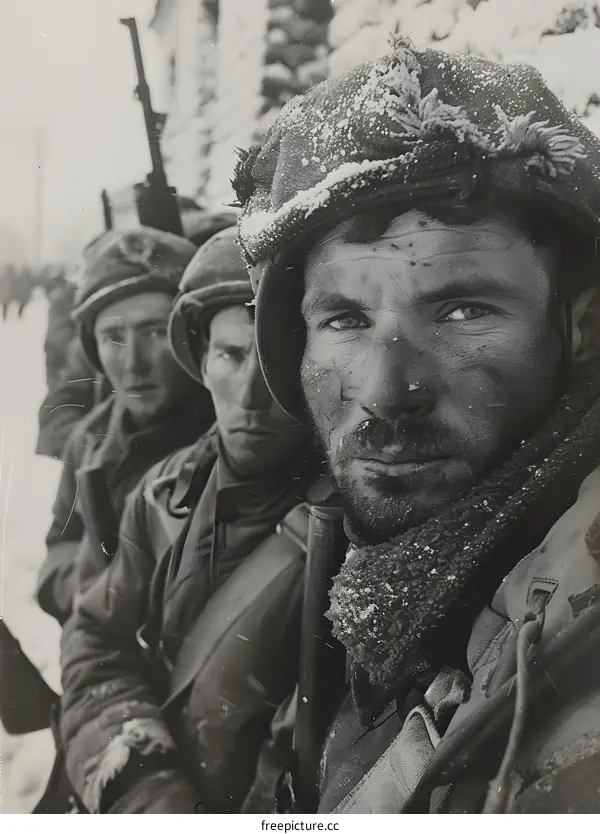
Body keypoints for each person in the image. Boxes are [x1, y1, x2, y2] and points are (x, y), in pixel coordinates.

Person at [236, 37, 600, 813]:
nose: (386, 392)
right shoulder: (365, 573)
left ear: (582, 328)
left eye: (464, 309)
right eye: (344, 318)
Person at [59, 227, 328, 814]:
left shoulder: (356, 523)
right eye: (231, 355)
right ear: (202, 360)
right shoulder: (161, 496)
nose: (253, 396)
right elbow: (96, 637)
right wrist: (141, 788)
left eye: (280, 359)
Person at [36, 227, 215, 625]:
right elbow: (60, 544)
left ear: (194, 337)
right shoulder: (89, 441)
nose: (133, 362)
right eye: (113, 336)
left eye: (154, 332)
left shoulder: (232, 437)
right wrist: (86, 592)